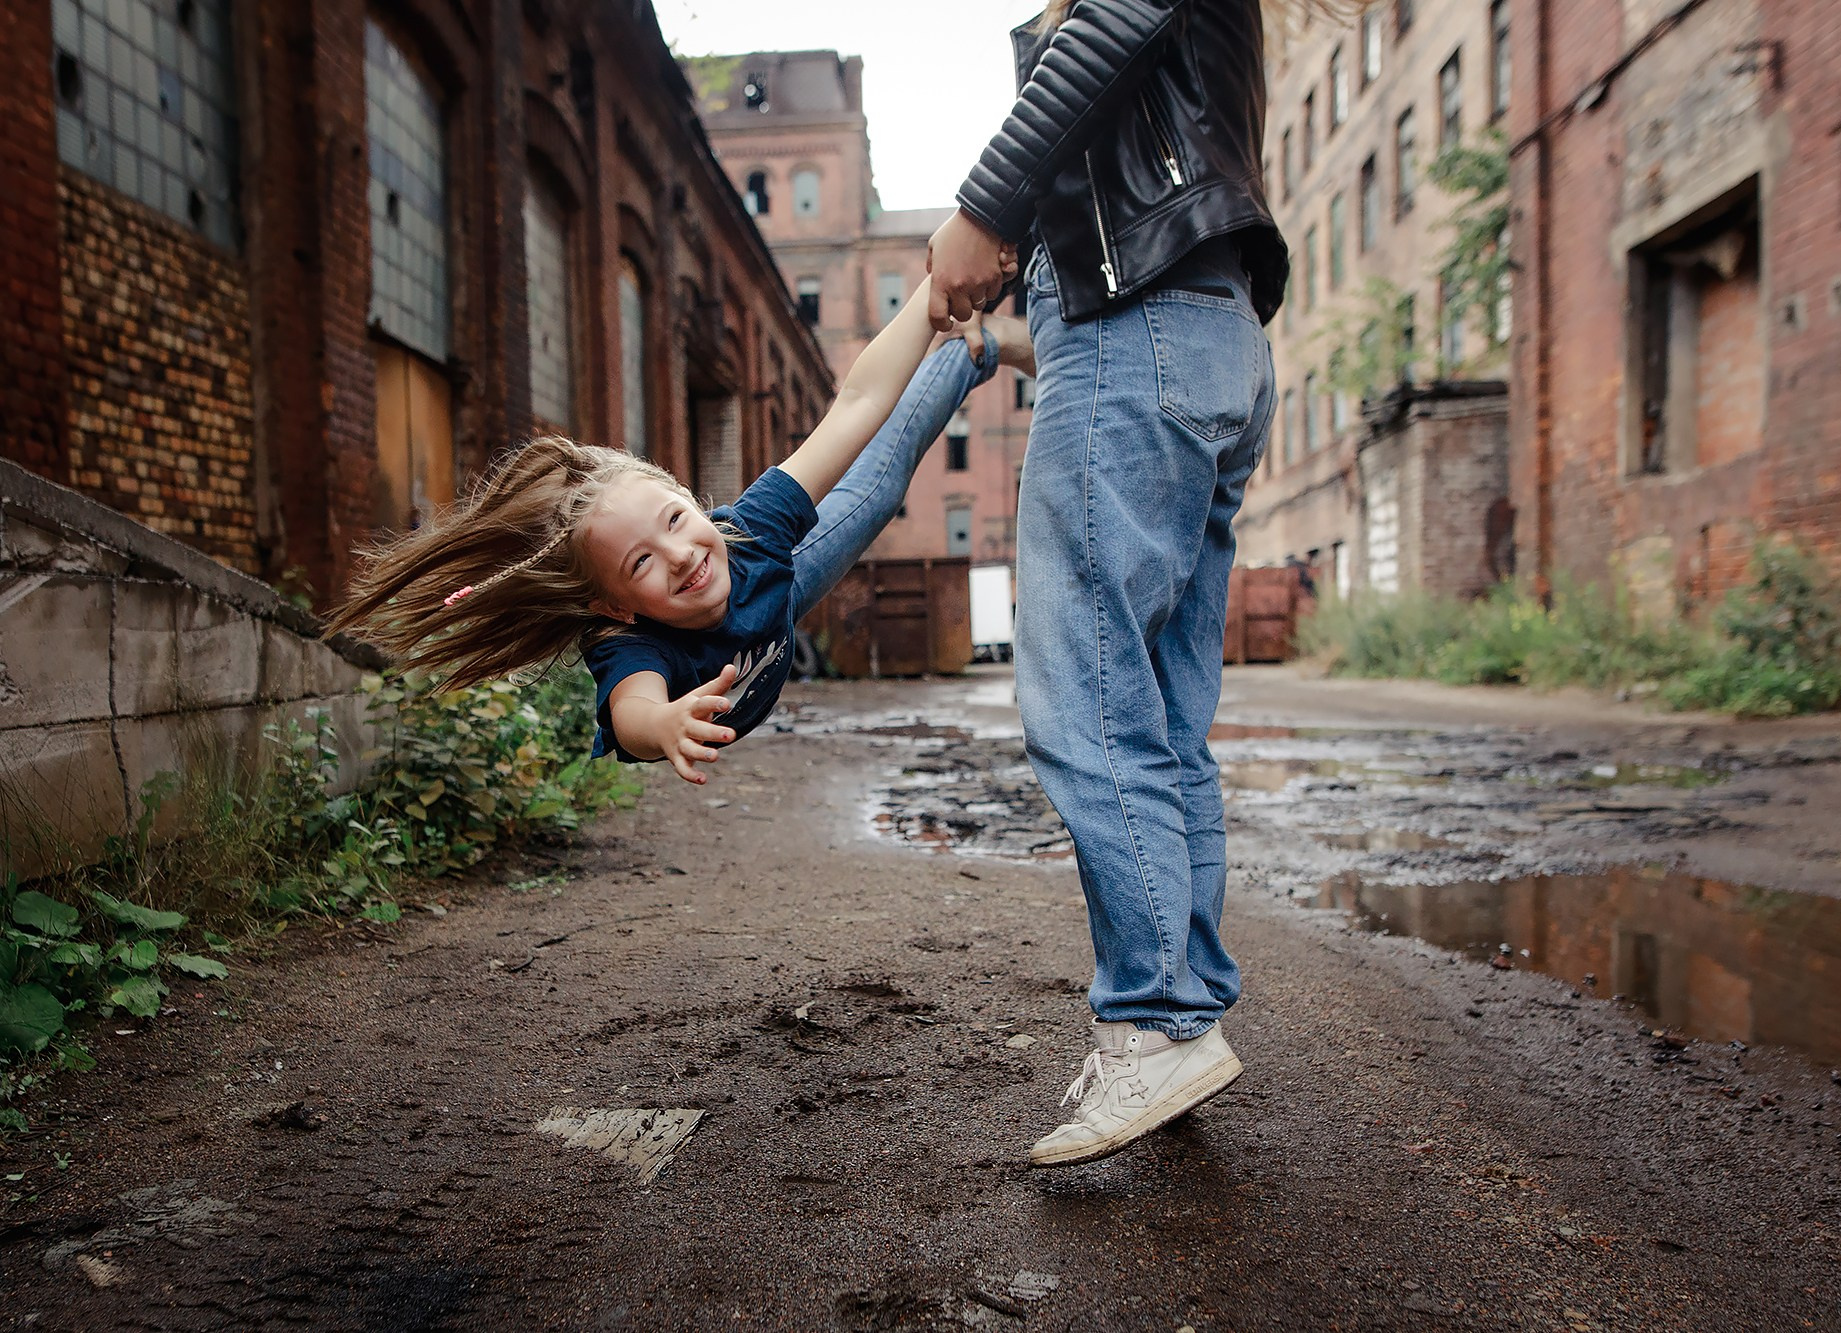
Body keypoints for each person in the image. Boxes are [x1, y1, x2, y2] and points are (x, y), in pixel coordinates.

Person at [927, 0, 1347, 1167]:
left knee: (1087, 702)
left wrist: (980, 206)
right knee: (1160, 714)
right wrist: (1024, 339)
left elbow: (1108, 24)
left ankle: (1154, 1020)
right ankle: (1185, 1015)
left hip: (1139, 341)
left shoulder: (1105, 12)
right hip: (1209, 343)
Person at [328, 279, 1033, 782]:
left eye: (674, 518)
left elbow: (858, 402)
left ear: (687, 495)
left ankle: (976, 348)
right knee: (866, 496)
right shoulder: (629, 640)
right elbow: (634, 708)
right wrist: (661, 725)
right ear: (615, 604)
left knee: (875, 487)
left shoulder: (742, 531)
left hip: (768, 576)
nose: (681, 555)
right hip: (753, 609)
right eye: (641, 563)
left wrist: (935, 291)